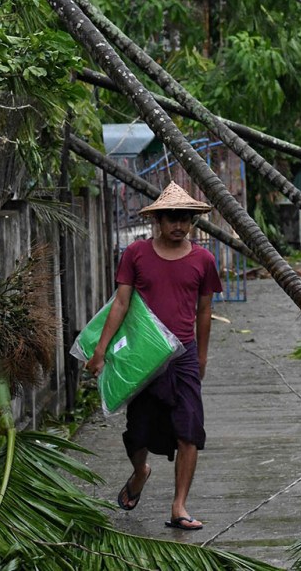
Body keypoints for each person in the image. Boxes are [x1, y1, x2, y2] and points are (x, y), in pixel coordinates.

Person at [85, 182, 219, 532]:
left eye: (185, 218)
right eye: (172, 218)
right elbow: (121, 303)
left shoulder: (204, 260)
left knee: (189, 430)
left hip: (184, 355)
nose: (179, 225)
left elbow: (204, 311)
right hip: (144, 358)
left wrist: (201, 356)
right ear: (158, 219)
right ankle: (140, 471)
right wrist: (100, 351)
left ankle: (179, 506)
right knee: (138, 431)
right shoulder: (136, 254)